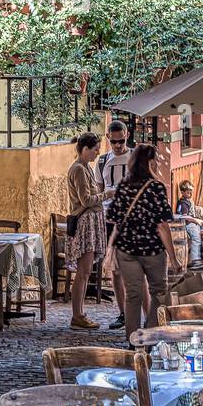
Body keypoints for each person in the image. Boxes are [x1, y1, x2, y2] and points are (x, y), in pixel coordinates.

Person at [105, 144, 180, 334]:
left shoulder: (124, 185)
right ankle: (152, 335)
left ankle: (133, 340)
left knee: (133, 295)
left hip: (126, 250)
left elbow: (115, 218)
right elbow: (162, 225)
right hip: (152, 250)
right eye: (155, 160)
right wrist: (173, 257)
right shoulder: (156, 187)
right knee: (158, 292)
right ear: (150, 162)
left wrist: (111, 248)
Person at [66, 132, 106, 330]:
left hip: (91, 222)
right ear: (85, 149)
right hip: (85, 224)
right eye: (95, 148)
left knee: (86, 271)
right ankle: (77, 315)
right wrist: (107, 194)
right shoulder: (79, 170)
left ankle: (80, 313)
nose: (98, 152)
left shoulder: (85, 168)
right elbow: (86, 200)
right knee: (83, 272)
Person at [96, 119, 133, 329]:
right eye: (114, 142)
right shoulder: (102, 161)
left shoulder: (135, 158)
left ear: (126, 135)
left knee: (135, 266)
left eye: (121, 141)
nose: (118, 146)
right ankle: (122, 312)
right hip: (109, 218)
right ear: (108, 138)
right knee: (116, 269)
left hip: (131, 219)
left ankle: (138, 311)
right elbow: (98, 191)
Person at [175, 180, 203, 269]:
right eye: (188, 193)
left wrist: (199, 221)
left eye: (191, 192)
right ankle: (195, 260)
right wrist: (197, 221)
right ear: (182, 192)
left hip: (195, 222)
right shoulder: (183, 203)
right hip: (189, 224)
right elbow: (184, 217)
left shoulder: (188, 201)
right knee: (196, 238)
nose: (190, 194)